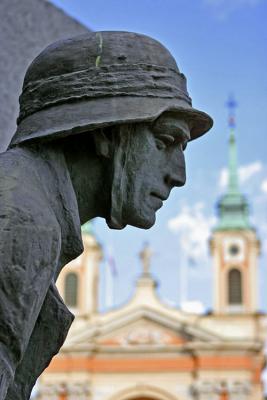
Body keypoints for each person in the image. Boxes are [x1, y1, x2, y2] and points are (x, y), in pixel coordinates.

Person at [0, 31, 212, 400]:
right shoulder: (22, 220)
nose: (179, 175)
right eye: (164, 141)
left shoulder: (34, 205)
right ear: (105, 134)